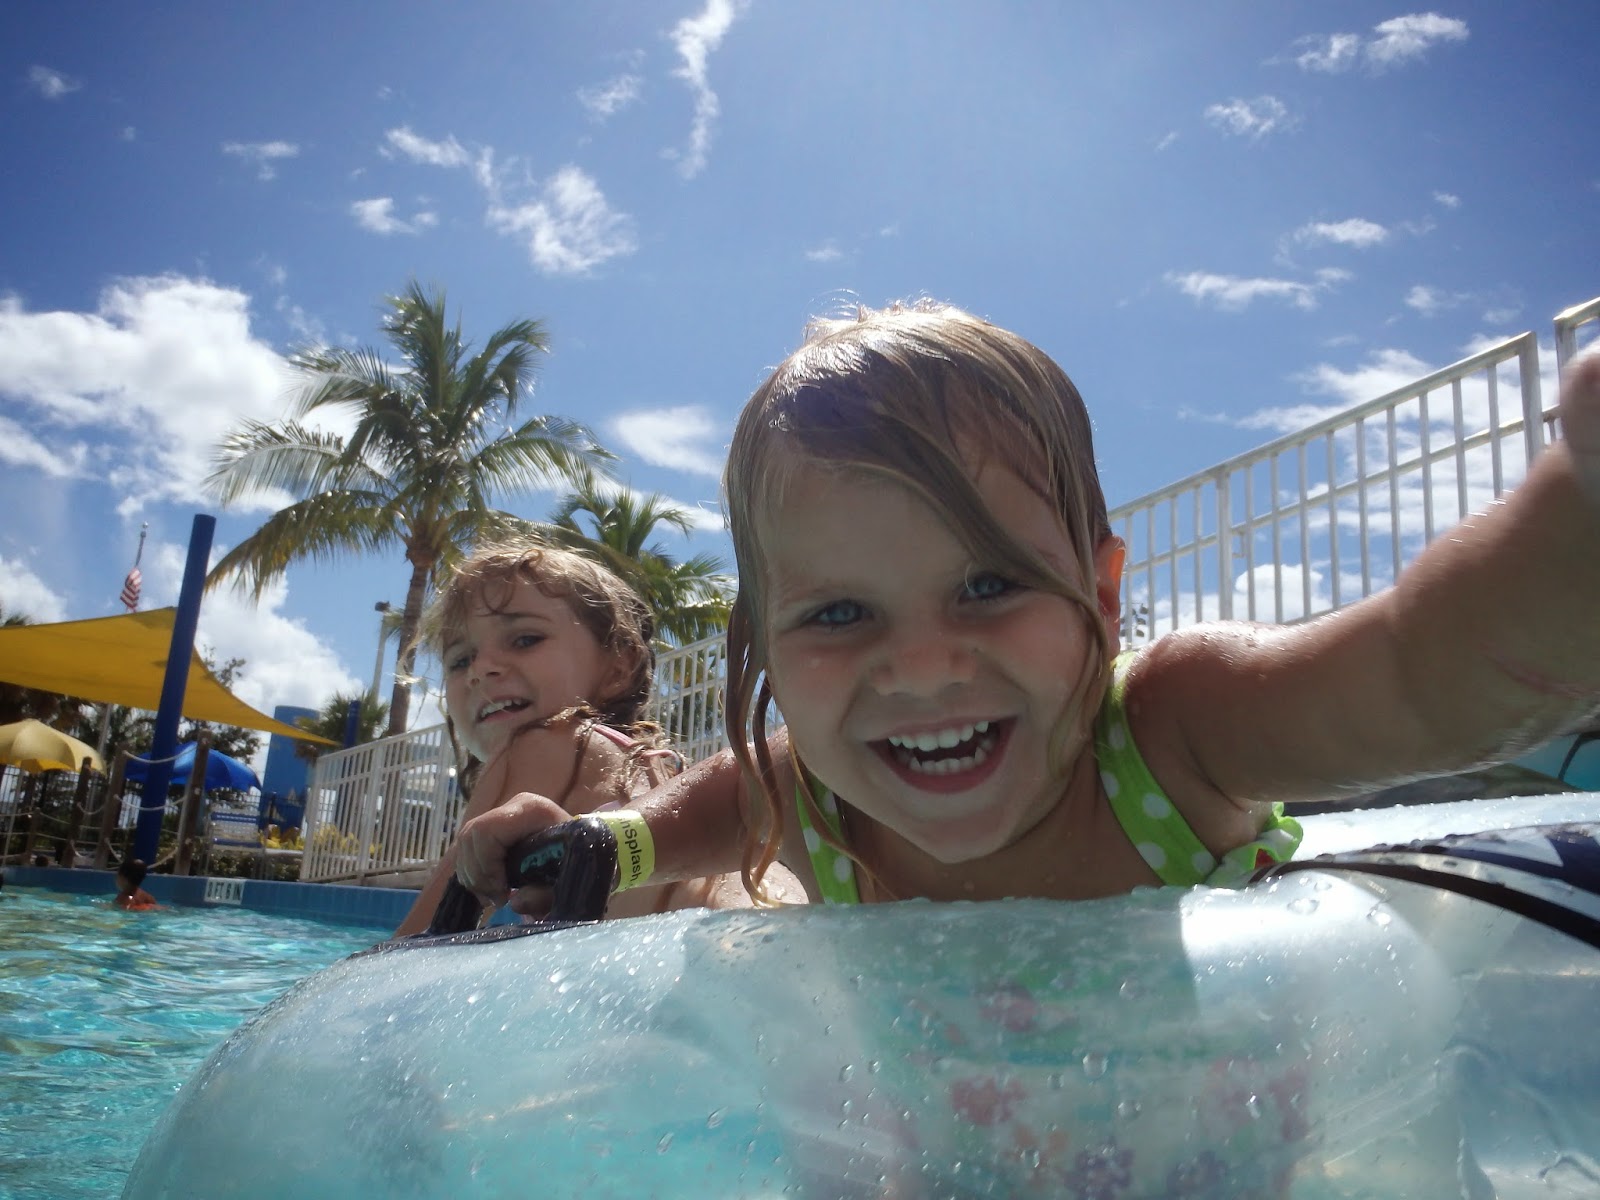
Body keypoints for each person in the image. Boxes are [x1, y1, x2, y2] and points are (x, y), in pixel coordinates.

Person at [453, 300, 1600, 917]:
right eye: (841, 614)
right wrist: (601, 844)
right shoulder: (807, 785)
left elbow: (1411, 675)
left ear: (1100, 592)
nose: (920, 663)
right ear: (760, 648)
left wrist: (1579, 519)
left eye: (987, 585)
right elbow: (700, 817)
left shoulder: (1168, 734)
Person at [395, 541, 797, 937]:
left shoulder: (541, 742)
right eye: (460, 660)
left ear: (618, 664)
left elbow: (411, 954)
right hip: (783, 927)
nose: (480, 671)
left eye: (524, 640)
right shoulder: (660, 767)